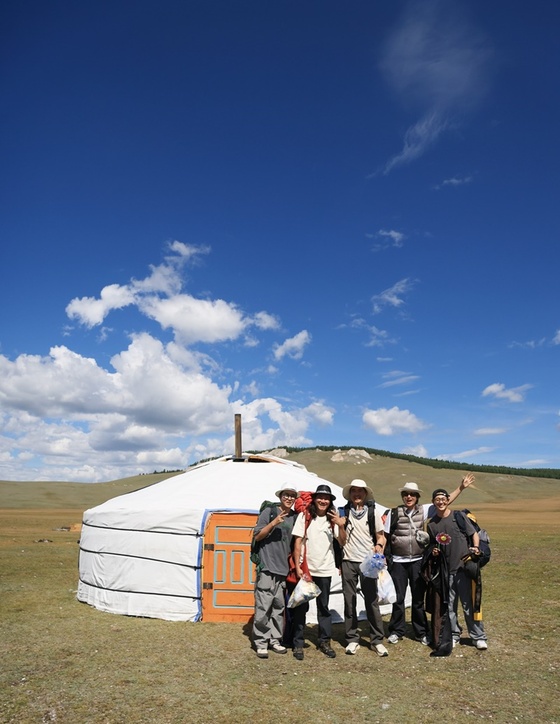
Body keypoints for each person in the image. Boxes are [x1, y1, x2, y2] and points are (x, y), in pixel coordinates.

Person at [384, 474, 475, 646]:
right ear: (403, 496)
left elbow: (444, 502)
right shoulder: (393, 513)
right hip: (398, 561)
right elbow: (385, 536)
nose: (409, 497)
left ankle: (420, 632)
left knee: (418, 599)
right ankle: (397, 630)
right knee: (399, 598)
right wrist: (380, 553)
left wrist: (461, 487)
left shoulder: (424, 510)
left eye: (412, 494)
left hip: (418, 560)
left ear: (417, 497)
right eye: (406, 494)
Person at [425, 487, 488, 655]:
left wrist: (475, 548)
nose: (440, 501)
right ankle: (454, 634)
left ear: (447, 500)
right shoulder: (431, 524)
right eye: (437, 499)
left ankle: (478, 636)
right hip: (446, 571)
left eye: (443, 498)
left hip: (464, 568)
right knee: (450, 607)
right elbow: (433, 545)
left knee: (469, 604)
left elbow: (473, 533)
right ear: (433, 502)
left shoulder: (458, 516)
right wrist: (434, 551)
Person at [291, 484, 346, 660]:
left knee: (324, 607)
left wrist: (341, 525)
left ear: (330, 501)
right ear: (315, 499)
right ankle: (298, 644)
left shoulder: (333, 519)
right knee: (301, 608)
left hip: (325, 569)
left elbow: (343, 542)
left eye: (326, 498)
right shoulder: (305, 516)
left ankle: (324, 641)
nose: (323, 500)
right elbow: (298, 541)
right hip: (307, 569)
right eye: (320, 497)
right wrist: (298, 567)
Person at [339, 479, 389, 657]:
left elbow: (381, 537)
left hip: (367, 562)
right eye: (354, 491)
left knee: (371, 601)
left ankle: (377, 640)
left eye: (360, 491)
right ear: (350, 494)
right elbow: (341, 540)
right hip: (348, 561)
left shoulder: (373, 513)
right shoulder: (343, 513)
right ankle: (352, 639)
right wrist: (340, 524)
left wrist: (379, 547)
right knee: (349, 600)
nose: (357, 494)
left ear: (365, 494)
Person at [251, 486, 298, 659]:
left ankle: (275, 639)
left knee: (278, 607)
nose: (289, 498)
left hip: (283, 569)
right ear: (280, 496)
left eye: (292, 496)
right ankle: (261, 642)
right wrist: (273, 523)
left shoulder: (294, 517)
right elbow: (257, 536)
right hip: (267, 568)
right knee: (264, 606)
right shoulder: (269, 511)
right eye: (286, 495)